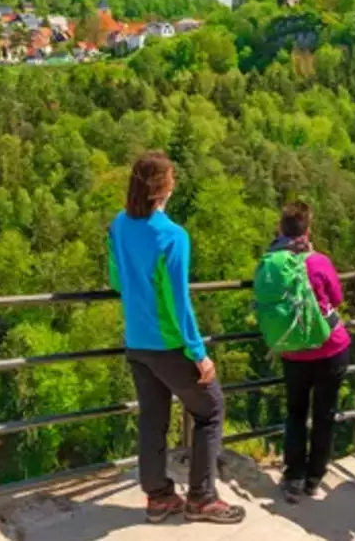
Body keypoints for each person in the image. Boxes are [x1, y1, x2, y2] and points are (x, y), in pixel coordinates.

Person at [107, 151, 246, 525]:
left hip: (137, 341)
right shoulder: (172, 236)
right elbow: (177, 301)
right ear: (163, 188)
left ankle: (159, 497)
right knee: (211, 408)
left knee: (153, 419)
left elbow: (117, 279)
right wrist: (198, 353)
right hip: (170, 345)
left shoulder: (119, 225)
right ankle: (201, 498)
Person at [272, 202, 351, 504]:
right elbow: (337, 298)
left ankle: (294, 476)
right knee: (324, 414)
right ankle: (315, 478)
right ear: (308, 230)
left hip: (294, 351)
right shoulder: (319, 262)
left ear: (281, 230)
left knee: (295, 413)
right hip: (331, 348)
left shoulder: (275, 263)